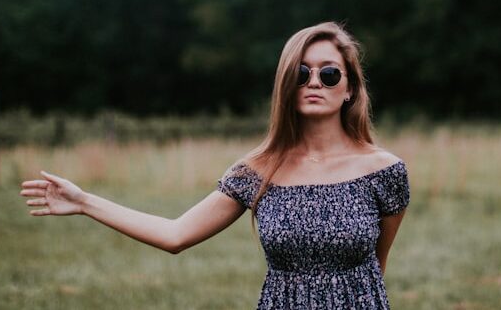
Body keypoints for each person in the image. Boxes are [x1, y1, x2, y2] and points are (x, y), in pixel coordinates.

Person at [20, 22, 410, 309]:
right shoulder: (258, 170)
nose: (314, 82)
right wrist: (85, 202)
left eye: (328, 73)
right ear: (285, 86)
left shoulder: (384, 173)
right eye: (300, 73)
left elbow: (376, 267)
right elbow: (176, 235)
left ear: (350, 89)